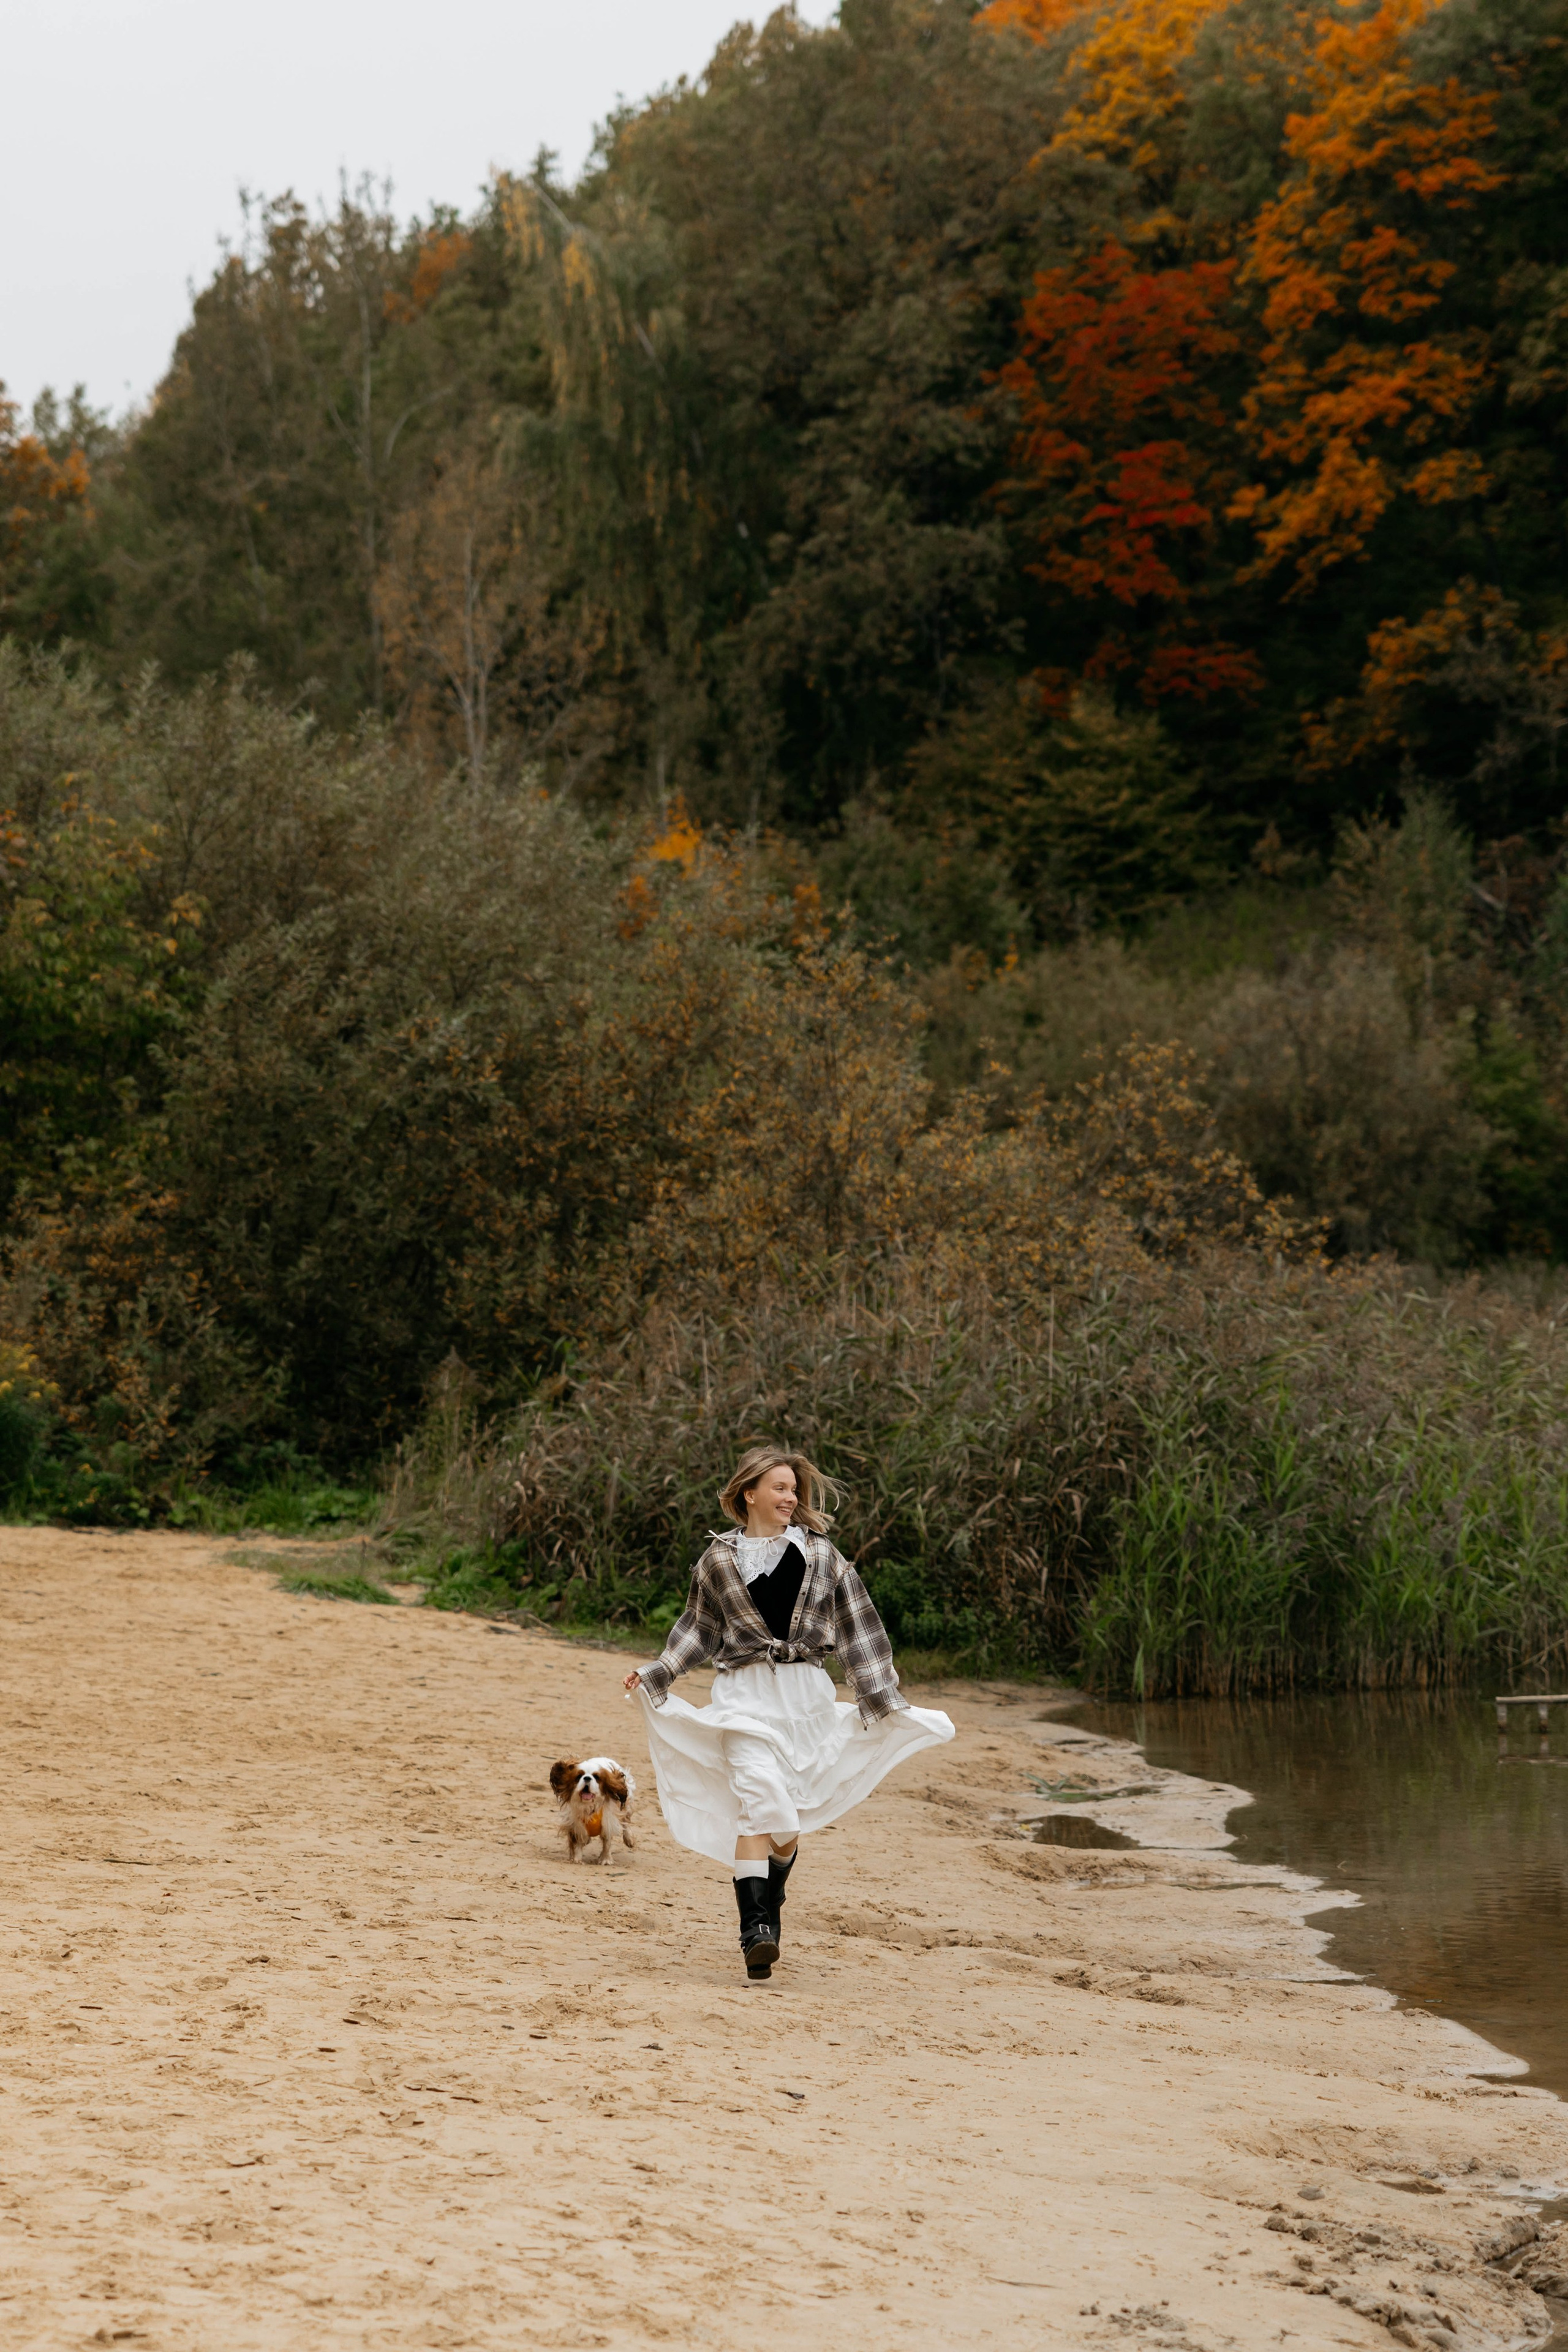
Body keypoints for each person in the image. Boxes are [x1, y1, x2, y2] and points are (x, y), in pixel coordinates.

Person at [624, 1442, 956, 1979]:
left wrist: (882, 1697)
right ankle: (756, 1931)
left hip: (807, 1700)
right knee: (760, 1802)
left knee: (787, 1817)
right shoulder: (717, 1560)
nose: (790, 1497)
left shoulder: (823, 1555)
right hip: (742, 1699)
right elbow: (698, 1631)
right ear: (748, 1493)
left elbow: (859, 1628)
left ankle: (770, 1897)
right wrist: (657, 1671)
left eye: (793, 1489)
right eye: (779, 1487)